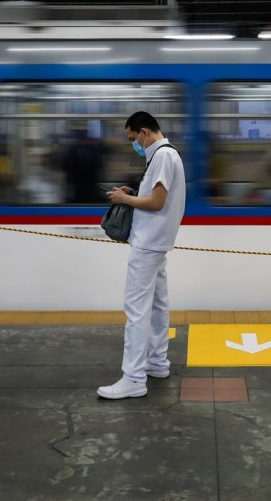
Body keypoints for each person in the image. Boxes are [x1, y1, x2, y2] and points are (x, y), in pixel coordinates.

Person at [97, 112, 186, 400]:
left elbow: (157, 202)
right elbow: (156, 195)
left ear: (145, 132)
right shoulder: (168, 155)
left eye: (133, 139)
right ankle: (157, 362)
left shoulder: (161, 155)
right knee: (158, 306)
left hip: (147, 243)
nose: (133, 144)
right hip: (157, 243)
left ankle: (133, 378)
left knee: (136, 310)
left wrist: (124, 199)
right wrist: (133, 191)